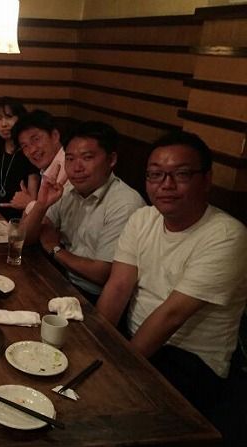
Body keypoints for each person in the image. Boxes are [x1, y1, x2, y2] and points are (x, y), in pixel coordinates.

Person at [97, 131, 247, 415]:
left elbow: (172, 315)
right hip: (135, 338)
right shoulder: (143, 218)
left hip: (191, 361)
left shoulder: (227, 235)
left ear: (206, 179)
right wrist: (96, 346)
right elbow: (118, 287)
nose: (166, 185)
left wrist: (117, 370)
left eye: (181, 174)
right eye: (155, 175)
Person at [21, 121, 145, 302]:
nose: (76, 168)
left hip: (92, 296)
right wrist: (41, 205)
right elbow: (24, 239)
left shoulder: (124, 203)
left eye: (87, 158)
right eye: (70, 159)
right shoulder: (67, 190)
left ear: (111, 160)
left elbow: (102, 274)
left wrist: (54, 249)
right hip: (60, 277)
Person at [0, 98, 37, 219]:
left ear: (20, 119)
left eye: (9, 117)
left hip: (17, 219)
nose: (3, 124)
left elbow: (32, 197)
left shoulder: (29, 150)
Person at [3, 109, 69, 213]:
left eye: (36, 139)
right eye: (25, 146)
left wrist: (29, 204)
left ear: (55, 135)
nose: (32, 150)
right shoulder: (49, 168)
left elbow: (57, 220)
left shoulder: (68, 166)